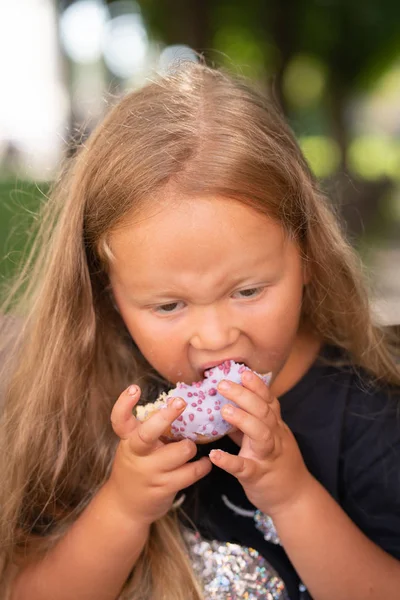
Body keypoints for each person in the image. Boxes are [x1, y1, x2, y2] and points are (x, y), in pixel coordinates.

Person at [0, 62, 399, 600]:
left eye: (248, 291)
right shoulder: (79, 403)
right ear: (107, 293)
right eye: (168, 305)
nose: (214, 337)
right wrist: (122, 507)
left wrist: (292, 496)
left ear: (308, 255)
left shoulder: (370, 416)